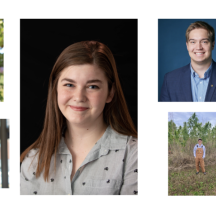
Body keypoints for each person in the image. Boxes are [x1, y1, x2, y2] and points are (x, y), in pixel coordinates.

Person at [20, 41, 138, 195]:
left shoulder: (135, 155)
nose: (79, 97)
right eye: (69, 85)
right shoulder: (32, 160)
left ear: (110, 93)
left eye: (92, 86)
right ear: (55, 88)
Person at [160, 21, 216, 102]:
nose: (198, 47)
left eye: (204, 41)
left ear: (212, 45)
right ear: (187, 45)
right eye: (193, 42)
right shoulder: (170, 80)